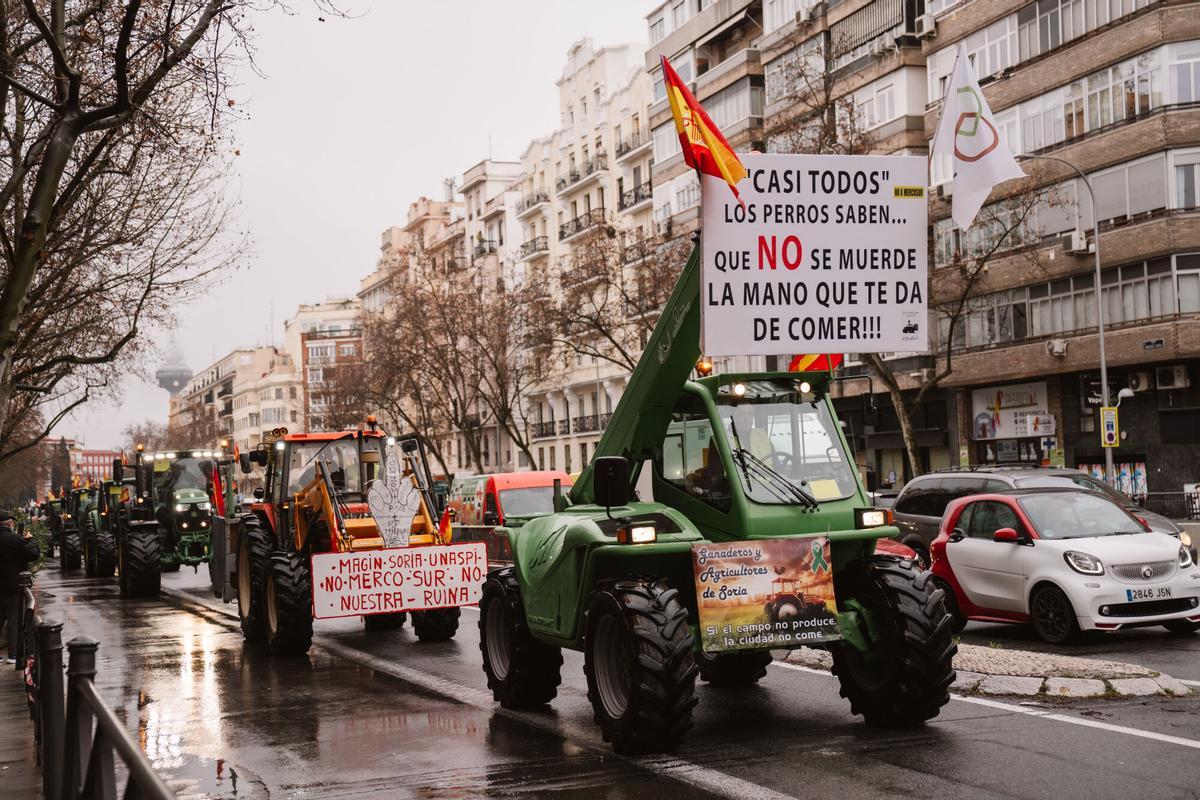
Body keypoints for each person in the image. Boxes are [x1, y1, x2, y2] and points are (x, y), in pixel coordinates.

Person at [0, 511, 40, 663]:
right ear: (10, 523)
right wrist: (30, 540)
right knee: (14, 619)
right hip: (13, 585)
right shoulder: (15, 539)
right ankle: (13, 655)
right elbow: (33, 554)